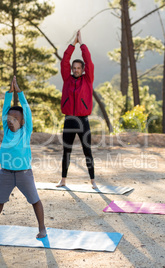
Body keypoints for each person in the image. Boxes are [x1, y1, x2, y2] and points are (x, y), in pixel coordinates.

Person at [0, 76, 46, 239]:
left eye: (15, 119)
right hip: (6, 174)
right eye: (9, 119)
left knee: (35, 201)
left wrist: (20, 92)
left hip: (24, 174)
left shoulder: (26, 131)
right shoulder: (7, 130)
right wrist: (9, 94)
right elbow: (4, 110)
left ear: (23, 121)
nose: (11, 121)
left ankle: (42, 228)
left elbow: (27, 110)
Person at [56, 30, 97, 189]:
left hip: (83, 120)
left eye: (79, 68)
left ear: (83, 69)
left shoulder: (88, 79)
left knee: (87, 150)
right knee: (66, 150)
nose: (76, 70)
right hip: (69, 119)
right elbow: (64, 61)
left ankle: (93, 180)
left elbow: (89, 61)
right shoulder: (67, 78)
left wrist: (82, 44)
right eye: (74, 67)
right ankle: (63, 180)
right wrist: (73, 44)